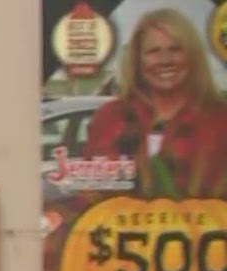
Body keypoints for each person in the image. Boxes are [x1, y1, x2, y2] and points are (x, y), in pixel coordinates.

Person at [82, 7, 227, 198]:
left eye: (175, 49)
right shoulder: (109, 117)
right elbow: (87, 193)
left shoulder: (220, 119)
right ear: (137, 60)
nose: (165, 60)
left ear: (193, 56)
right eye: (153, 51)